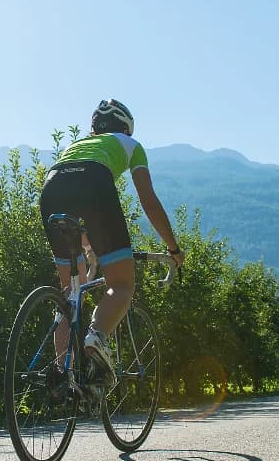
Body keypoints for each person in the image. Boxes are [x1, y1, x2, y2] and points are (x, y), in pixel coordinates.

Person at [39, 99, 183, 389]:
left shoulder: (76, 146)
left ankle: (62, 375)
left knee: (70, 294)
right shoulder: (131, 145)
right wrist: (173, 248)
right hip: (94, 186)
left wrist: (89, 246)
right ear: (126, 128)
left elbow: (74, 197)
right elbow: (148, 201)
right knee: (122, 285)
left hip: (51, 187)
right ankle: (97, 337)